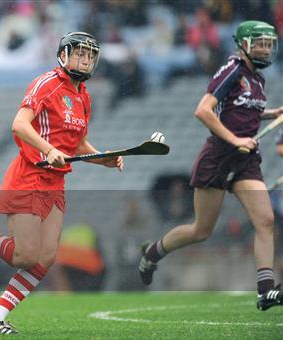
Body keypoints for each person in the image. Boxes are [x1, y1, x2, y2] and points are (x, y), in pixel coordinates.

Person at [0, 32, 123, 334]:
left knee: (45, 259)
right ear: (63, 55)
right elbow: (19, 124)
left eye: (90, 55)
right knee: (24, 256)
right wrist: (48, 150)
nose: (85, 60)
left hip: (55, 183)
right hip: (29, 176)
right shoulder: (46, 83)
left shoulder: (83, 96)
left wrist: (104, 158)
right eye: (80, 53)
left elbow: (77, 143)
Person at [138, 20, 283, 311]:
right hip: (218, 156)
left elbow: (242, 111)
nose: (265, 50)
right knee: (200, 230)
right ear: (243, 44)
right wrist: (234, 139)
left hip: (245, 161)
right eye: (259, 43)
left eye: (269, 44)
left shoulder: (258, 80)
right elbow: (203, 110)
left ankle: (265, 291)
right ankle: (152, 253)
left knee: (265, 221)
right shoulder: (232, 70)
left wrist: (271, 114)